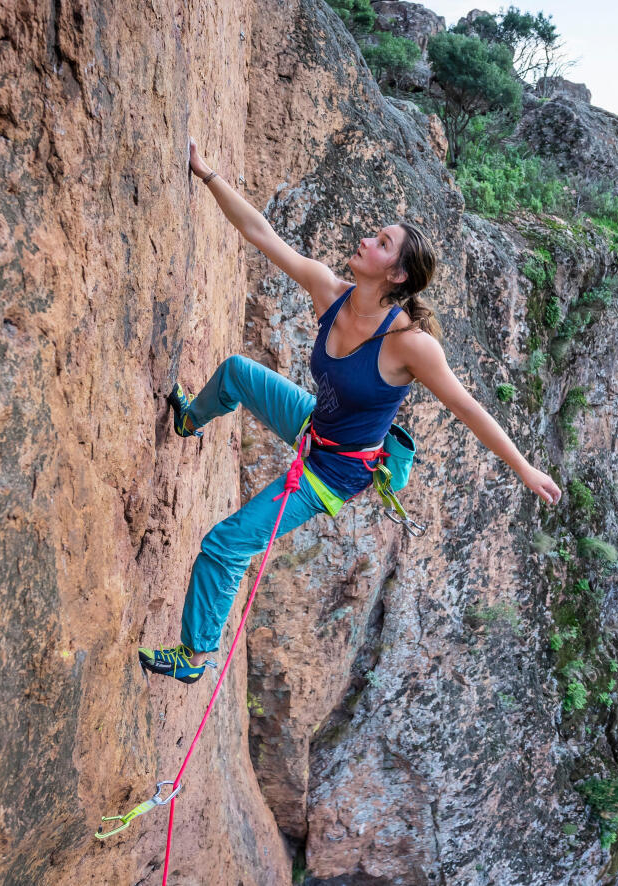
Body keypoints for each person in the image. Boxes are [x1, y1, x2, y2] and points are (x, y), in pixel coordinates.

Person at [138, 140, 562, 684]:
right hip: (316, 424)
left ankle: (195, 657)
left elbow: (466, 407)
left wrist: (524, 468)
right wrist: (207, 174)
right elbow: (260, 234)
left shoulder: (410, 344)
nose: (366, 240)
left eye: (382, 242)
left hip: (332, 472)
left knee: (226, 544)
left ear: (398, 275)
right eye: (374, 234)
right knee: (238, 372)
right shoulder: (330, 291)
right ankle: (190, 419)